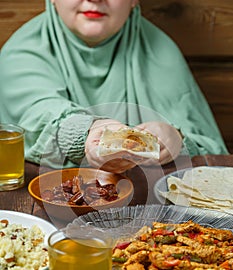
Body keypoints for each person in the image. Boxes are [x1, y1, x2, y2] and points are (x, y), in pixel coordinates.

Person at [0, 0, 228, 173]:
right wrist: (88, 133)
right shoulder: (21, 52)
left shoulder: (161, 51)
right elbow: (40, 114)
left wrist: (177, 139)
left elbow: (207, 148)